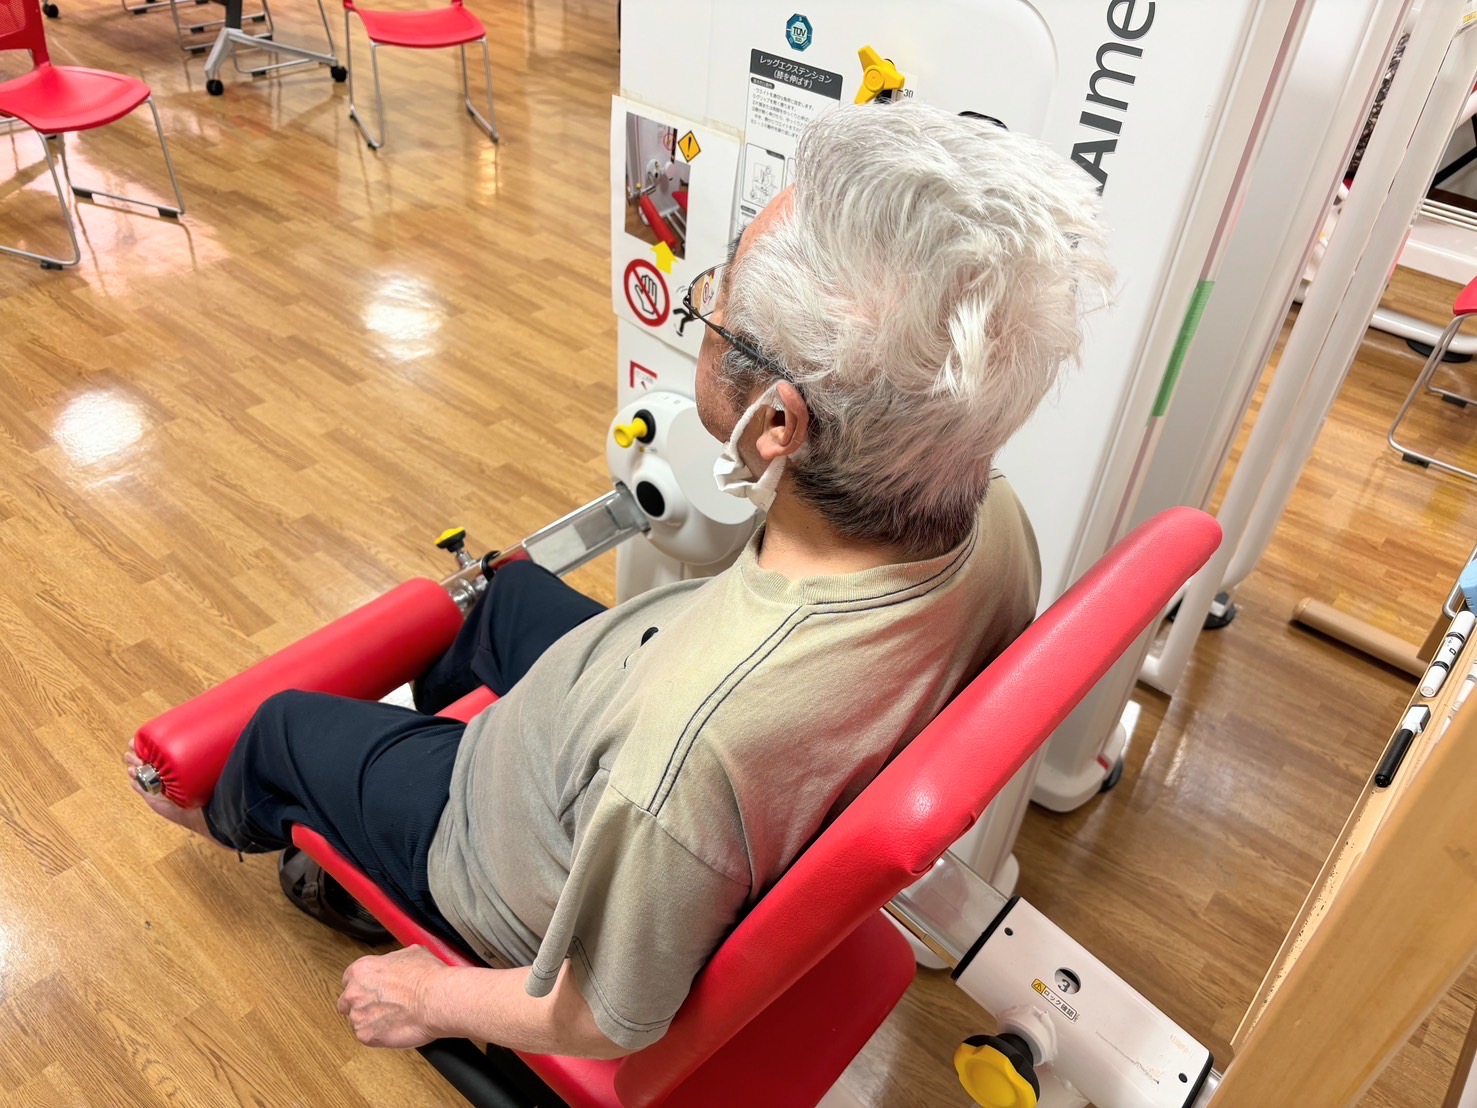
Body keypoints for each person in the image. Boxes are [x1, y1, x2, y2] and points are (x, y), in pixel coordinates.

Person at [126, 99, 1112, 1060]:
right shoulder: (993, 520)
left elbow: (607, 1017)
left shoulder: (688, 753)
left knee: (279, 730)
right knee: (501, 593)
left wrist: (428, 995)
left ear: (776, 423)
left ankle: (262, 826)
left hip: (502, 864)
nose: (707, 307)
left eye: (719, 299)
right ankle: (396, 786)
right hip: (628, 723)